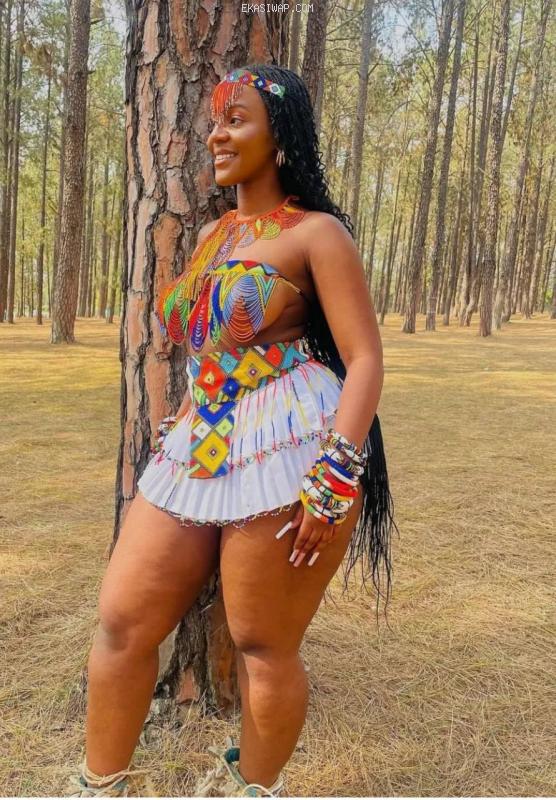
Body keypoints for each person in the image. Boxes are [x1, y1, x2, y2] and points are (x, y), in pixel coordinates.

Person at [67, 64, 396, 798]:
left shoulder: (318, 234)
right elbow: (211, 342)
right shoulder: (216, 235)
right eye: (215, 120)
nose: (216, 134)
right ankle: (98, 784)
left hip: (289, 445)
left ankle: (252, 788)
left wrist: (335, 475)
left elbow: (367, 359)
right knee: (122, 619)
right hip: (203, 439)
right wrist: (189, 409)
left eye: (236, 119)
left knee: (261, 641)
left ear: (280, 138)